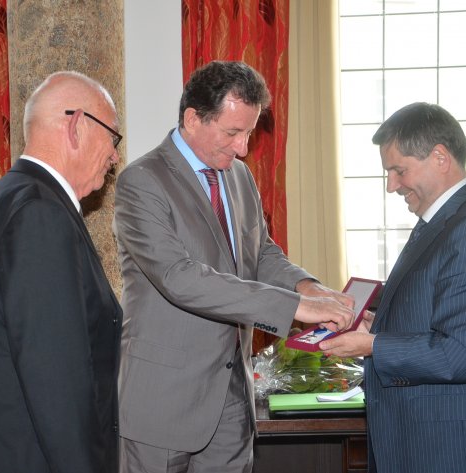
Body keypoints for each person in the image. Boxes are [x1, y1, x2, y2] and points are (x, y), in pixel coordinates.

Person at [114, 60, 355, 472]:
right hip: (164, 399)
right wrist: (294, 307)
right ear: (193, 118)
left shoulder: (239, 176)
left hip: (232, 398)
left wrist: (308, 288)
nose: (243, 147)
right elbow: (179, 277)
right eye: (232, 133)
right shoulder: (142, 181)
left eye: (249, 133)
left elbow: (261, 254)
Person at [320, 102, 466, 473]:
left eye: (399, 170)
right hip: (426, 443)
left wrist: (372, 345)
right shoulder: (442, 223)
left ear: (440, 157)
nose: (391, 186)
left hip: (460, 451)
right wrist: (375, 326)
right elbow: (434, 317)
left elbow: (463, 354)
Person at [0, 71, 123, 473]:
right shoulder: (39, 214)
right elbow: (56, 385)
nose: (114, 157)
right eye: (113, 137)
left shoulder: (6, 197)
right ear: (78, 126)